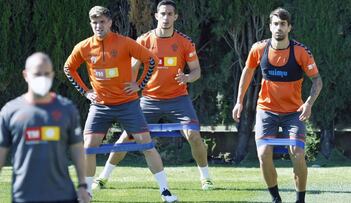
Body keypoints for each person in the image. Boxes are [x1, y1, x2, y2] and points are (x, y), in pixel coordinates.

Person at [93, 0, 213, 191]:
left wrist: (187, 77)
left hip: (178, 99)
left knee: (194, 135)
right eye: (162, 14)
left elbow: (197, 71)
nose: (166, 18)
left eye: (170, 14)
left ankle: (206, 178)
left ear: (176, 17)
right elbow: (133, 68)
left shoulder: (185, 42)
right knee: (127, 137)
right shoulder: (143, 40)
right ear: (156, 16)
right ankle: (102, 177)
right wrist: (132, 89)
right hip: (149, 100)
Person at [63, 5, 177, 202]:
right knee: (88, 147)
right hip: (100, 106)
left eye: (102, 22)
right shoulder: (83, 46)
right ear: (91, 24)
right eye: (94, 22)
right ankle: (86, 193)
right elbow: (68, 68)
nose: (98, 26)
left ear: (110, 23)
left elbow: (150, 60)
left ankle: (165, 191)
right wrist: (85, 91)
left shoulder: (125, 43)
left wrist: (139, 84)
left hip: (128, 104)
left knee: (146, 144)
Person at [232, 8, 322, 203]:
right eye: (275, 24)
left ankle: (300, 200)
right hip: (266, 110)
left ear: (289, 27)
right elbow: (247, 72)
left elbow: (317, 80)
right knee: (263, 153)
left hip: (293, 112)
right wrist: (239, 101)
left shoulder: (300, 51)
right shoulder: (259, 49)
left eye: (283, 24)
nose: (278, 28)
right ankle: (275, 198)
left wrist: (308, 103)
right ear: (270, 26)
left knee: (297, 153)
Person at [0, 52, 90, 203]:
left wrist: (82, 185)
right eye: (37, 74)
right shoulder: (10, 111)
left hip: (63, 195)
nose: (42, 78)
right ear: (26, 75)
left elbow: (77, 148)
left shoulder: (66, 109)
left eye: (46, 73)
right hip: (24, 195)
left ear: (52, 75)